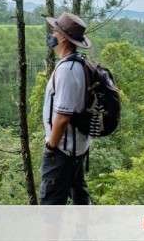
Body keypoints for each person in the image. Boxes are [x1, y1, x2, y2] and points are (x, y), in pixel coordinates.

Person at [40, 12, 92, 205]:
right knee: (79, 195)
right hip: (76, 148)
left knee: (51, 206)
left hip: (62, 151)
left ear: (62, 37)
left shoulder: (67, 70)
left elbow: (62, 117)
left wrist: (50, 147)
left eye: (54, 31)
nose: (51, 34)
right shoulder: (79, 64)